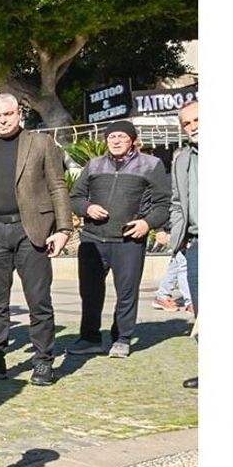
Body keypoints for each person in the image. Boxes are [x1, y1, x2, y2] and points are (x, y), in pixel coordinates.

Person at [0, 93, 73, 385]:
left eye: (7, 114)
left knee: (38, 300)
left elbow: (58, 186)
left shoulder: (41, 143)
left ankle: (43, 361)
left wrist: (63, 229)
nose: (2, 121)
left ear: (19, 113)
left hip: (31, 230)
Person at [67, 120, 171, 358]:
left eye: (121, 137)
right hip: (92, 239)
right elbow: (75, 197)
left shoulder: (151, 164)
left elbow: (163, 203)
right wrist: (87, 208)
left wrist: (147, 223)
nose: (115, 141)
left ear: (132, 140)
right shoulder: (94, 165)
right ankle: (89, 338)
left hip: (128, 241)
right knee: (90, 293)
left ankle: (122, 338)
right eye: (111, 137)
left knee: (127, 293)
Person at [169, 101, 199, 388]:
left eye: (197, 120)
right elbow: (178, 201)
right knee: (201, 308)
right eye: (186, 124)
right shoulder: (182, 159)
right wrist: (178, 241)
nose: (193, 127)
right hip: (198, 243)